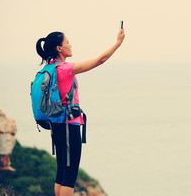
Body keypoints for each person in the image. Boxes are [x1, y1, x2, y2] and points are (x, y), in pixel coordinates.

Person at [35, 28, 125, 196]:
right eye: (67, 42)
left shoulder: (50, 68)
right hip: (70, 126)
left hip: (56, 125)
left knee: (62, 171)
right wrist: (118, 43)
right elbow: (100, 60)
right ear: (59, 49)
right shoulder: (64, 69)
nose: (70, 45)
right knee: (70, 175)